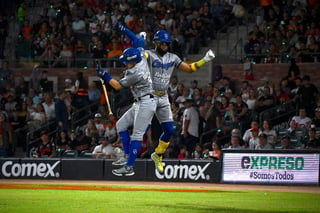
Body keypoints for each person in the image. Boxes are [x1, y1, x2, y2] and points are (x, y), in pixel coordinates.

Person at [114, 24, 215, 173]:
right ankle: (129, 162)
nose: (165, 45)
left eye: (167, 43)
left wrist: (205, 59)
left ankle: (158, 155)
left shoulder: (173, 58)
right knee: (138, 131)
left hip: (163, 97)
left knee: (169, 130)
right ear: (156, 42)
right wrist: (131, 35)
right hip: (148, 97)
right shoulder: (148, 55)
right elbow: (137, 52)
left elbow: (190, 69)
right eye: (162, 43)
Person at [97, 47, 156, 176]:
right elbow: (139, 46)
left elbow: (117, 86)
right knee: (120, 125)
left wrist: (105, 75)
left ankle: (129, 166)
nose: (125, 63)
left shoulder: (136, 73)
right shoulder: (140, 59)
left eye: (127, 61)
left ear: (133, 61)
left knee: (137, 135)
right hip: (139, 101)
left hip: (146, 103)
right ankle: (127, 155)